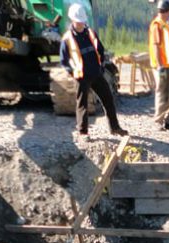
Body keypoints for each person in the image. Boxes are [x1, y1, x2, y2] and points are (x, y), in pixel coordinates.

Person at [60, 3, 128, 140]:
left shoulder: (91, 33)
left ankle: (115, 128)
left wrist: (101, 66)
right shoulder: (67, 39)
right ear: (72, 20)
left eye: (82, 21)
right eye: (78, 21)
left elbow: (100, 51)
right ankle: (83, 132)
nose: (80, 24)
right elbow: (64, 61)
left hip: (96, 73)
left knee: (108, 99)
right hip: (81, 76)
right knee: (82, 105)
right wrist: (73, 73)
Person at [148, 0, 169, 131]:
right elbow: (156, 46)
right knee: (162, 93)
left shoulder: (165, 25)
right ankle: (158, 121)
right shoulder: (157, 26)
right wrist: (160, 65)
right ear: (166, 11)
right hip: (162, 65)